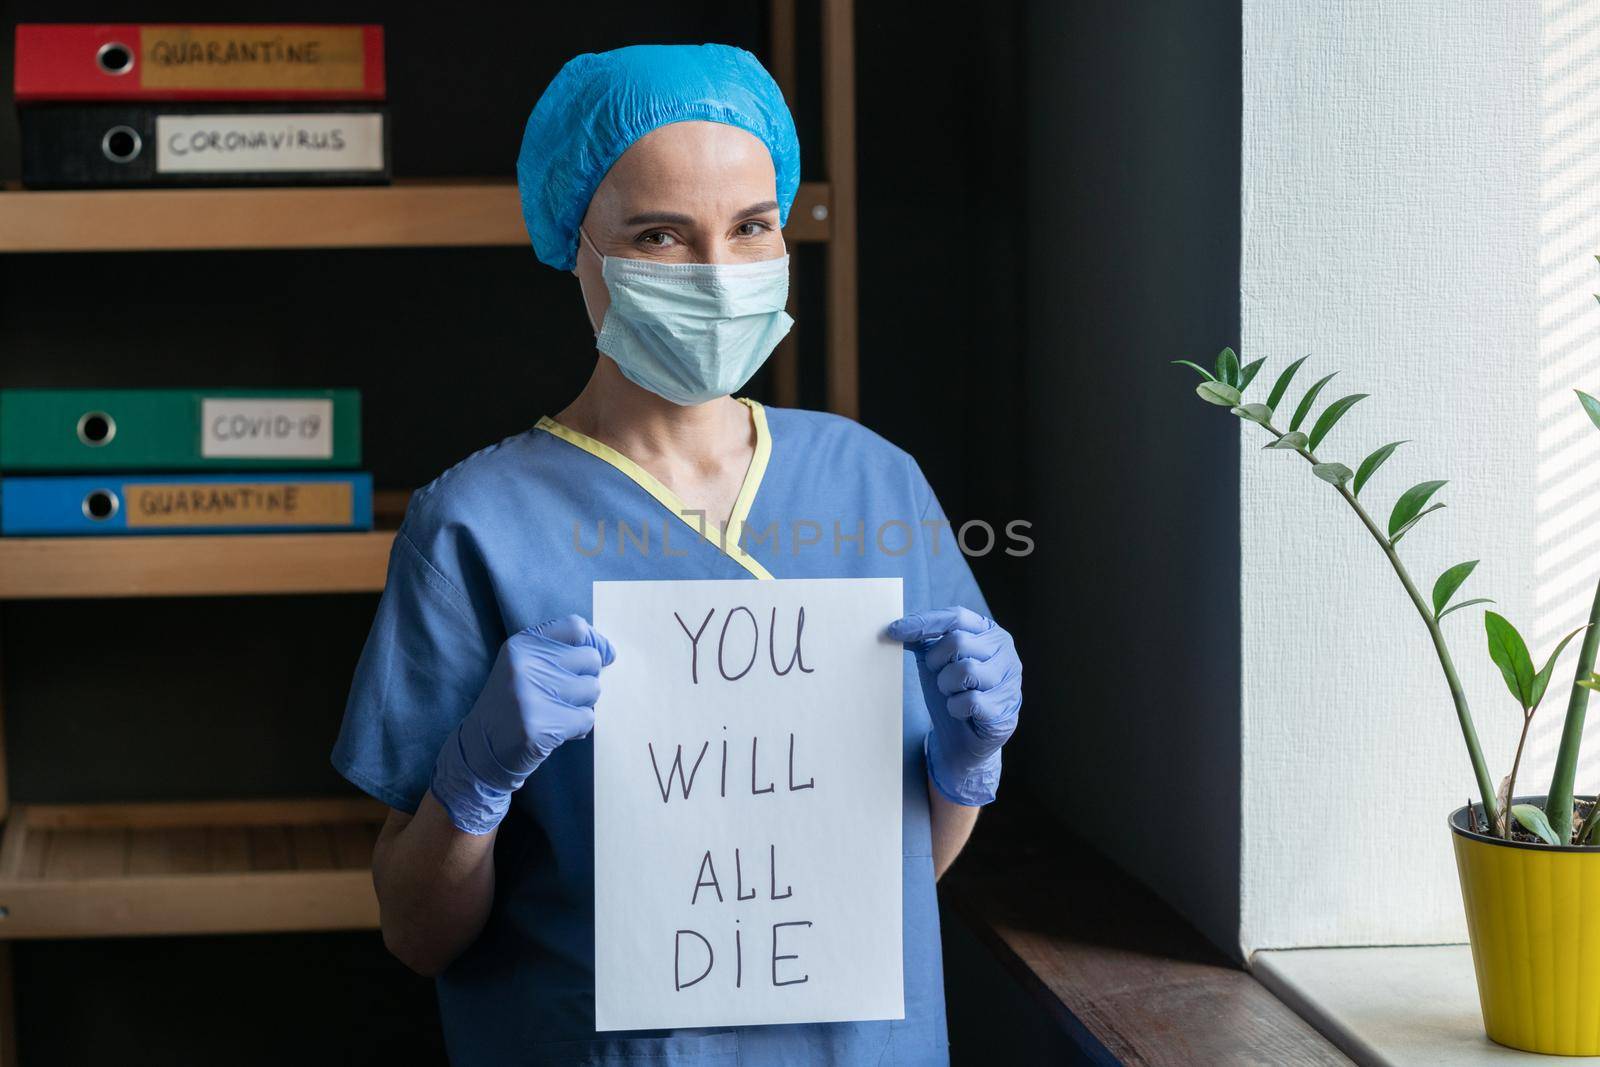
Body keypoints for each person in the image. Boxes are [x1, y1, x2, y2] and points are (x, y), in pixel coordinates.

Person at [332, 43, 1024, 1066]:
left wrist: (966, 768)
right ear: (575, 242)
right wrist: (471, 782)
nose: (717, 274)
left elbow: (886, 877)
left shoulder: (872, 485)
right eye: (660, 234)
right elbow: (416, 932)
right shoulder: (475, 525)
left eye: (751, 228)